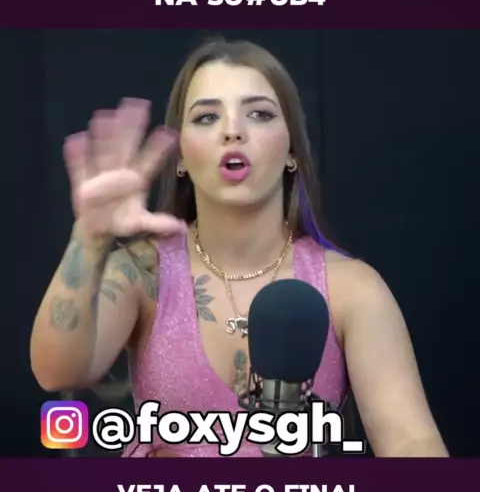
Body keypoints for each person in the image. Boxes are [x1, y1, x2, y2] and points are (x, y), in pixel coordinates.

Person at [30, 38, 448, 458]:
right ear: (180, 156)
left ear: (292, 151)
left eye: (259, 114)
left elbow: (410, 440)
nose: (232, 131)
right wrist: (90, 236)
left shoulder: (351, 288)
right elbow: (56, 371)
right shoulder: (143, 272)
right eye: (207, 117)